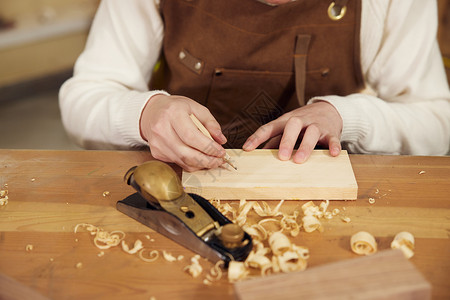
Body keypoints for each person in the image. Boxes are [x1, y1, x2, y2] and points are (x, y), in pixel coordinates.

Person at [59, 0, 450, 171]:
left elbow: (437, 122)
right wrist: (145, 114)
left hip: (330, 205)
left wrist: (346, 115)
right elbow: (83, 98)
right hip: (184, 202)